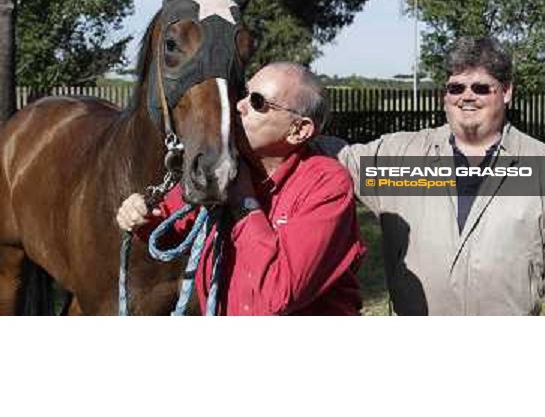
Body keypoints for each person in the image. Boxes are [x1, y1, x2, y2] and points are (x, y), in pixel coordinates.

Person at [320, 37, 545, 315]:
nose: (467, 96)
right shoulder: (402, 156)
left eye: (480, 87)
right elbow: (337, 158)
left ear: (507, 91)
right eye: (456, 87)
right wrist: (291, 119)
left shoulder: (543, 166)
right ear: (445, 95)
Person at [116, 62, 366, 315]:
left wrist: (246, 203)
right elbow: (171, 229)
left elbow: (278, 295)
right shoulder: (224, 167)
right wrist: (141, 216)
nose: (238, 105)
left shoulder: (327, 184)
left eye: (257, 102)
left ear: (298, 130)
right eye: (244, 93)